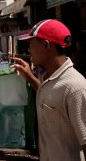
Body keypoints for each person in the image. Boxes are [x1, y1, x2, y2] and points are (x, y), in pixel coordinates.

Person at [11, 19, 86, 161]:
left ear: (46, 45)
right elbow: (51, 97)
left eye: (31, 44)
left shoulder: (75, 87)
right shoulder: (50, 79)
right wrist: (31, 78)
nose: (29, 50)